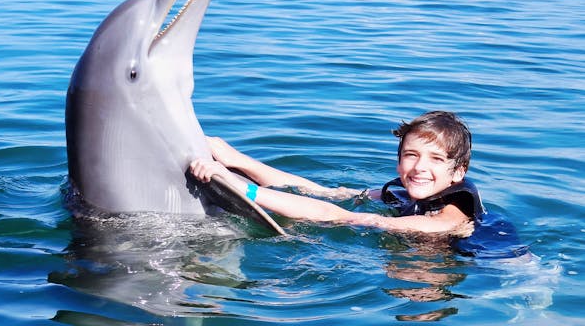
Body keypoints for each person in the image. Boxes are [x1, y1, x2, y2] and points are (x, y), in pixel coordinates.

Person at [190, 111, 482, 237]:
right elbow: (321, 194)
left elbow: (337, 214)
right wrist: (238, 161)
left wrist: (245, 191)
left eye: (436, 159)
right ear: (398, 162)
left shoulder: (456, 206)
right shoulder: (397, 193)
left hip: (496, 263)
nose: (420, 167)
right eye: (411, 155)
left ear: (458, 172)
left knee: (343, 217)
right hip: (415, 260)